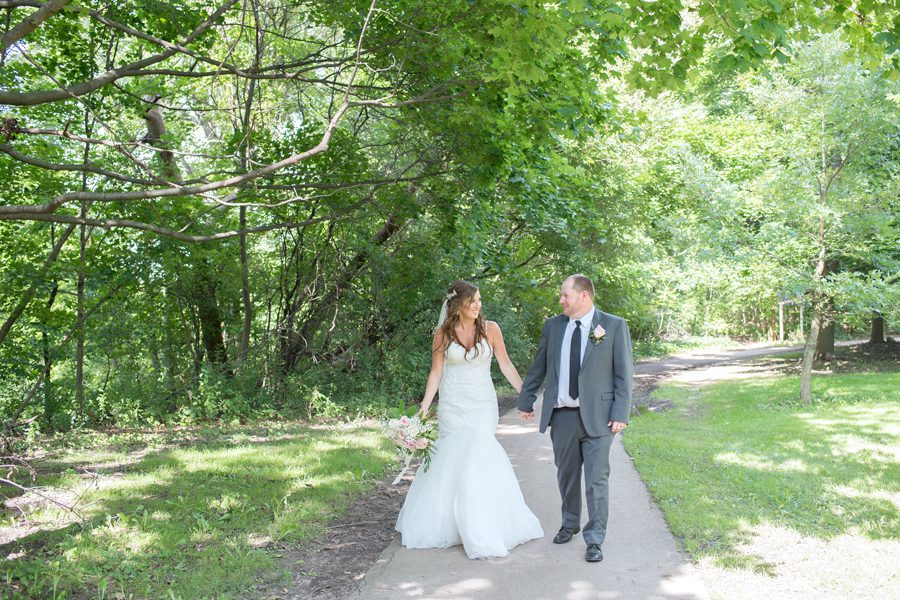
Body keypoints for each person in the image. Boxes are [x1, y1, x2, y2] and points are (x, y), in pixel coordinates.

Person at [395, 280, 544, 559]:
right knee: (453, 457)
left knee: (479, 452)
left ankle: (483, 523)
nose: (478, 305)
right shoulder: (442, 334)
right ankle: (451, 524)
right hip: (453, 404)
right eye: (472, 300)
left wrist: (525, 395)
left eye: (479, 300)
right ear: (458, 304)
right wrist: (425, 408)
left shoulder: (491, 329)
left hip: (482, 405)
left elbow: (505, 364)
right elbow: (436, 372)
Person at [517, 274, 633, 563]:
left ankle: (595, 539)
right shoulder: (554, 326)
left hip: (601, 417)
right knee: (566, 476)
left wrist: (621, 412)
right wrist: (526, 397)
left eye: (565, 295)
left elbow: (623, 374)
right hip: (563, 415)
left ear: (584, 296)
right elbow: (539, 365)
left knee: (597, 479)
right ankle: (569, 523)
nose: (561, 301)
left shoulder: (614, 326)